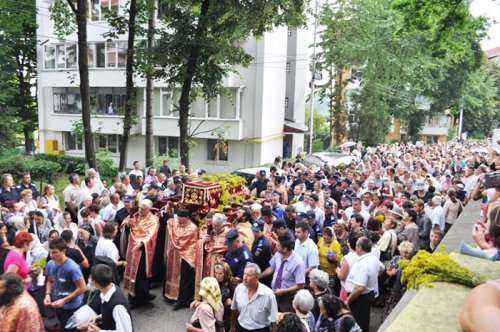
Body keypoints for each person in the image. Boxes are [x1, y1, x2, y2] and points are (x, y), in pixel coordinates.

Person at [44, 237, 87, 332]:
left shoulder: (72, 267)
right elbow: (50, 281)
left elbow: (83, 288)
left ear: (63, 251)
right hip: (57, 305)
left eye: (55, 252)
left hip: (72, 307)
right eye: (50, 252)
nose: (51, 255)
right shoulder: (50, 264)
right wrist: (47, 294)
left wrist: (64, 300)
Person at [122, 199, 159, 307]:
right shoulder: (135, 215)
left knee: (139, 275)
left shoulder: (153, 220)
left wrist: (142, 244)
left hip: (143, 251)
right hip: (131, 248)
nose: (140, 210)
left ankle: (139, 297)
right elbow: (124, 224)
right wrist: (128, 224)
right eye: (139, 208)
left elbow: (151, 235)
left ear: (149, 209)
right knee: (130, 271)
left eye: (143, 209)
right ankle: (136, 296)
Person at [344, 237, 383, 332]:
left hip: (359, 298)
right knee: (364, 319)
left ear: (359, 247)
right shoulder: (373, 258)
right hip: (367, 294)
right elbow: (382, 268)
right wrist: (372, 278)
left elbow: (359, 288)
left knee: (358, 322)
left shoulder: (363, 264)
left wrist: (348, 301)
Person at [164, 208, 200, 310]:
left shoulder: (193, 228)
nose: (179, 221)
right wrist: (167, 211)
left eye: (182, 219)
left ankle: (182, 300)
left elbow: (193, 245)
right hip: (173, 255)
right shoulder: (174, 222)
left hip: (185, 256)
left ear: (187, 218)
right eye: (178, 218)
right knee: (171, 274)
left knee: (183, 278)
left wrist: (192, 259)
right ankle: (170, 295)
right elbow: (168, 221)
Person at [79, 264, 132, 332]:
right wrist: (99, 317)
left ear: (95, 283)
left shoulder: (117, 306)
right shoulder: (110, 289)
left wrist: (99, 331)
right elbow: (110, 314)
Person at [261, 235, 305, 312]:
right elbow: (271, 268)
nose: (276, 246)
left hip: (287, 299)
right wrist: (259, 276)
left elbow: (300, 285)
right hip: (274, 294)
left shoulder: (298, 263)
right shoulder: (278, 254)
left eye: (278, 245)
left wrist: (284, 291)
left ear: (284, 249)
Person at [230, 263, 278, 332]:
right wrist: (232, 326)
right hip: (241, 328)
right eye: (244, 274)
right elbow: (234, 309)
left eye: (248, 275)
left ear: (257, 277)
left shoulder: (269, 295)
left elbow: (274, 321)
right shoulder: (239, 289)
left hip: (260, 330)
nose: (244, 277)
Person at [381, 241, 414, 322]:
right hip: (392, 288)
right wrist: (392, 273)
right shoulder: (396, 258)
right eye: (402, 252)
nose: (404, 255)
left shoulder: (412, 262)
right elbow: (388, 271)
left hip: (404, 290)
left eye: (407, 253)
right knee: (389, 306)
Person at [203, 213, 229, 278]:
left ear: (223, 225)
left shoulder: (228, 233)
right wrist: (203, 241)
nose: (214, 227)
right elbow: (199, 243)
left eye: (217, 225)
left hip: (220, 262)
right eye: (213, 224)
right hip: (209, 261)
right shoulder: (209, 231)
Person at [250, 219, 273, 286]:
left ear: (262, 230)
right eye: (253, 231)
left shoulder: (263, 245)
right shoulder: (257, 239)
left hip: (263, 275)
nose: (254, 233)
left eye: (256, 231)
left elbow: (255, 259)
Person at [214, 262, 234, 331]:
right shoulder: (214, 281)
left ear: (225, 273)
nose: (217, 276)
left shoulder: (231, 283)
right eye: (216, 273)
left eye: (220, 273)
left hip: (229, 312)